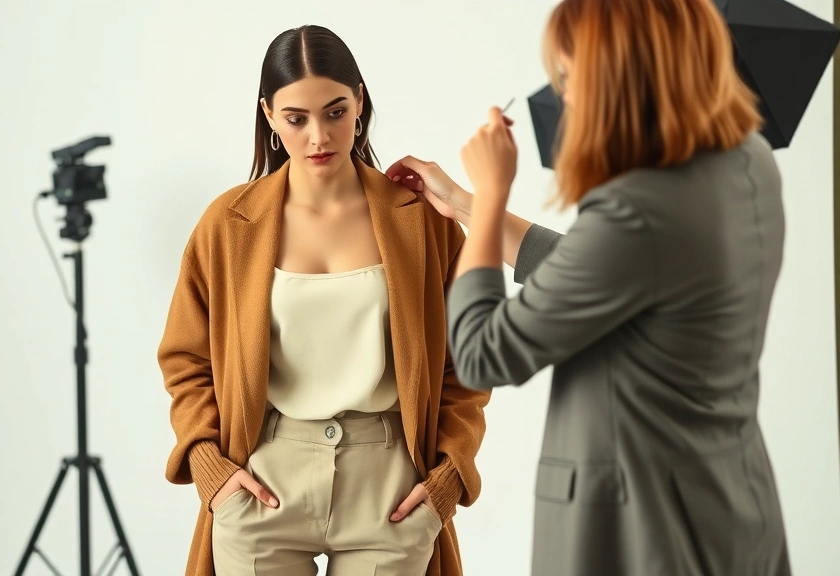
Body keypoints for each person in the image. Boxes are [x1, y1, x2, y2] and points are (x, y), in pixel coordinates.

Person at [387, 0, 791, 574]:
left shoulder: (637, 208)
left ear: (624, 75)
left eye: (572, 78)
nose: (566, 96)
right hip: (731, 506)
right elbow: (606, 272)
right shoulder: (748, 161)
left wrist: (494, 188)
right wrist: (466, 205)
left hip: (642, 530)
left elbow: (481, 354)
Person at [158, 24, 490, 576]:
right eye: (297, 118)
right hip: (264, 481)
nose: (319, 136)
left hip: (389, 489)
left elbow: (468, 363)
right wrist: (211, 472)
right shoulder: (228, 225)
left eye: (336, 112)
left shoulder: (423, 222)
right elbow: (185, 360)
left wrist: (446, 480)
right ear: (268, 115)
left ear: (360, 101)